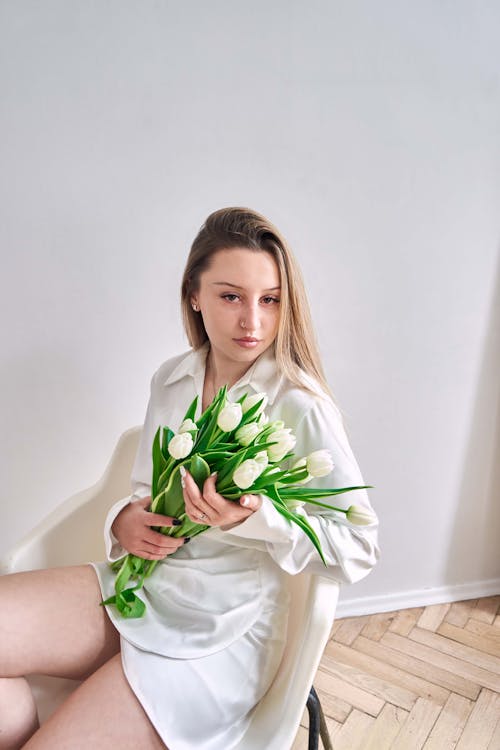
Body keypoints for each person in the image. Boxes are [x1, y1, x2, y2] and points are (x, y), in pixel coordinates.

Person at [0, 207, 379, 749]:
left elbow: (361, 547)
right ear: (195, 295)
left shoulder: (300, 405)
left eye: (269, 300)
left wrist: (259, 519)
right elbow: (141, 496)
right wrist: (123, 521)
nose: (252, 321)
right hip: (137, 588)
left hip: (219, 637)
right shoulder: (172, 379)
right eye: (231, 297)